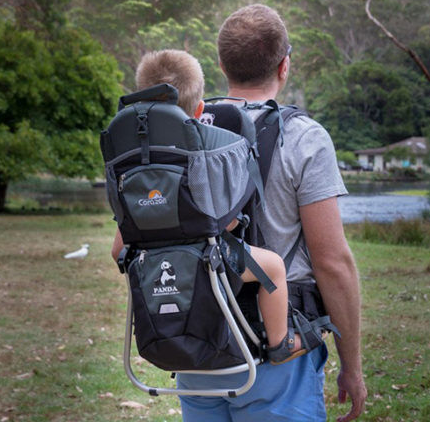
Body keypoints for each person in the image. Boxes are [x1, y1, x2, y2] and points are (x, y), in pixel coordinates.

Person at [176, 5, 367, 422]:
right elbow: (333, 263)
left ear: (222, 64)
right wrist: (352, 366)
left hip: (195, 340)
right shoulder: (304, 138)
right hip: (275, 352)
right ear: (285, 65)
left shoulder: (182, 130)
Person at [111, 48, 306, 364]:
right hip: (208, 256)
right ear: (200, 109)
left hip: (150, 260)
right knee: (273, 267)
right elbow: (223, 222)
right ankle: (280, 343)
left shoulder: (131, 156)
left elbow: (118, 246)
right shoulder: (204, 153)